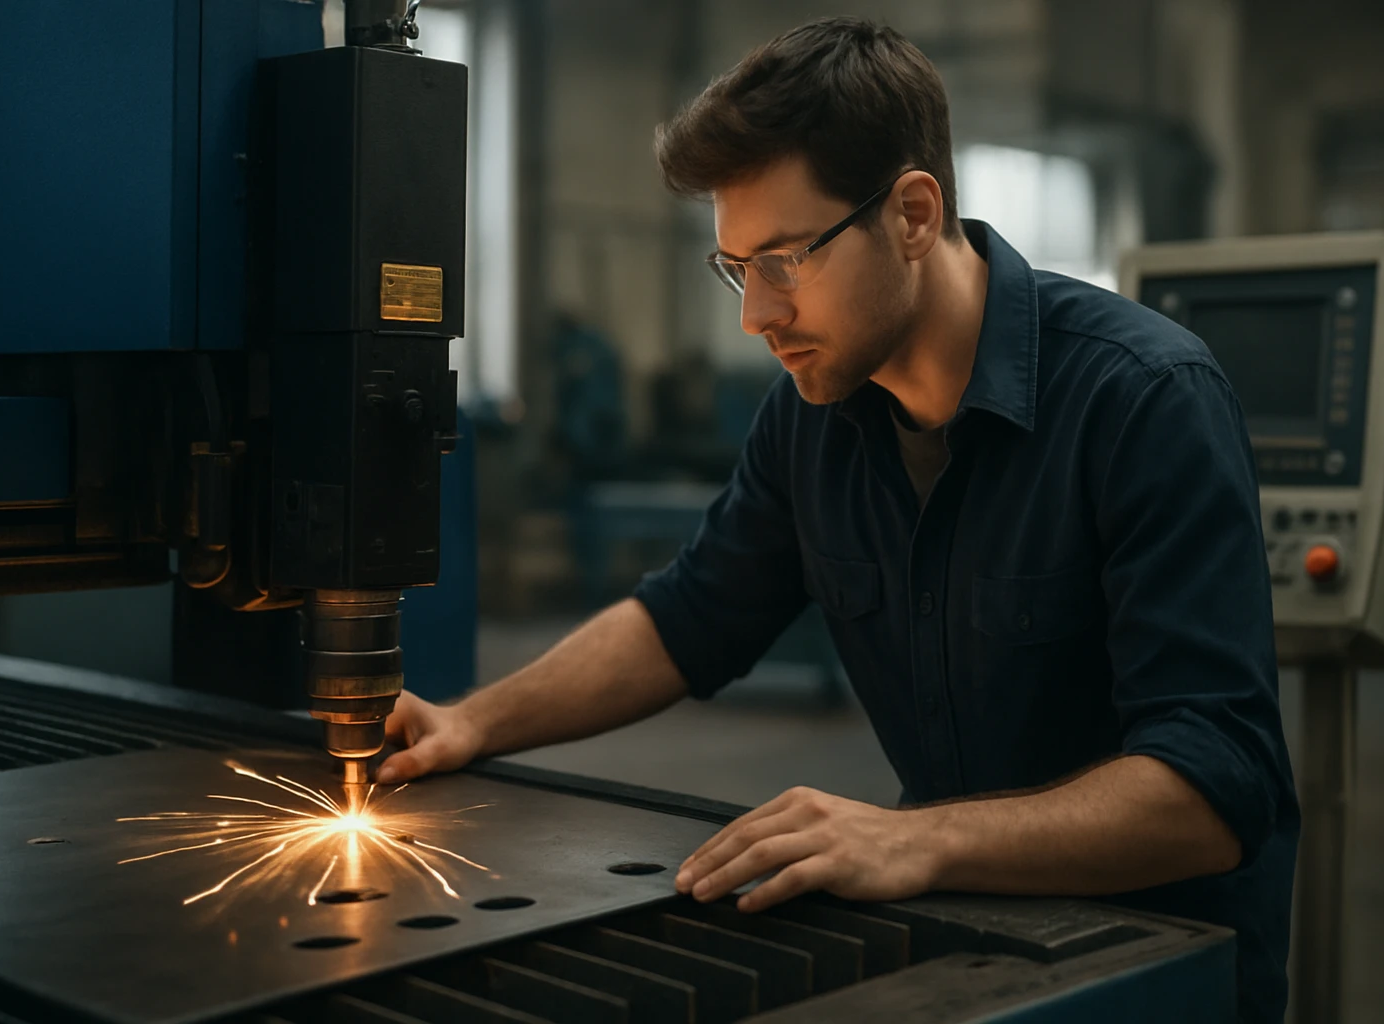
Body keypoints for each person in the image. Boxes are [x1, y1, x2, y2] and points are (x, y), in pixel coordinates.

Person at [378, 18, 1298, 1022]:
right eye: (736, 267)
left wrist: (913, 838)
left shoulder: (1143, 399)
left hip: (1158, 966)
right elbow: (689, 616)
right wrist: (473, 721)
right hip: (959, 943)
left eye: (784, 259)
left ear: (912, 214)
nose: (756, 315)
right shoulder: (813, 419)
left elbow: (1213, 791)